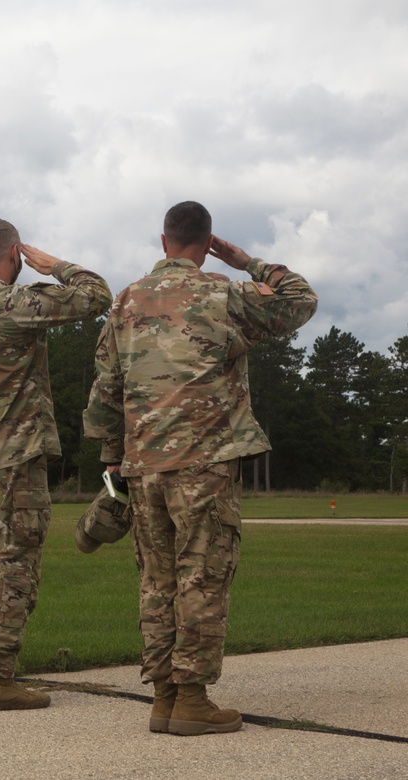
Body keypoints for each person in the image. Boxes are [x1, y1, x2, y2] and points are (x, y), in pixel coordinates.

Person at [83, 201, 318, 735]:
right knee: (202, 576)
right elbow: (301, 300)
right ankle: (191, 700)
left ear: (163, 241)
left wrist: (112, 462)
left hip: (143, 467)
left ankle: (164, 697)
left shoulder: (125, 302)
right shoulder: (225, 292)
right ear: (208, 242)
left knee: (157, 580)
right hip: (203, 464)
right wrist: (248, 262)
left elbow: (104, 393)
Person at [0, 218, 113, 711]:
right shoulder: (15, 303)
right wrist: (56, 266)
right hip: (16, 459)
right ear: (14, 255)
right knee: (16, 565)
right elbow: (97, 295)